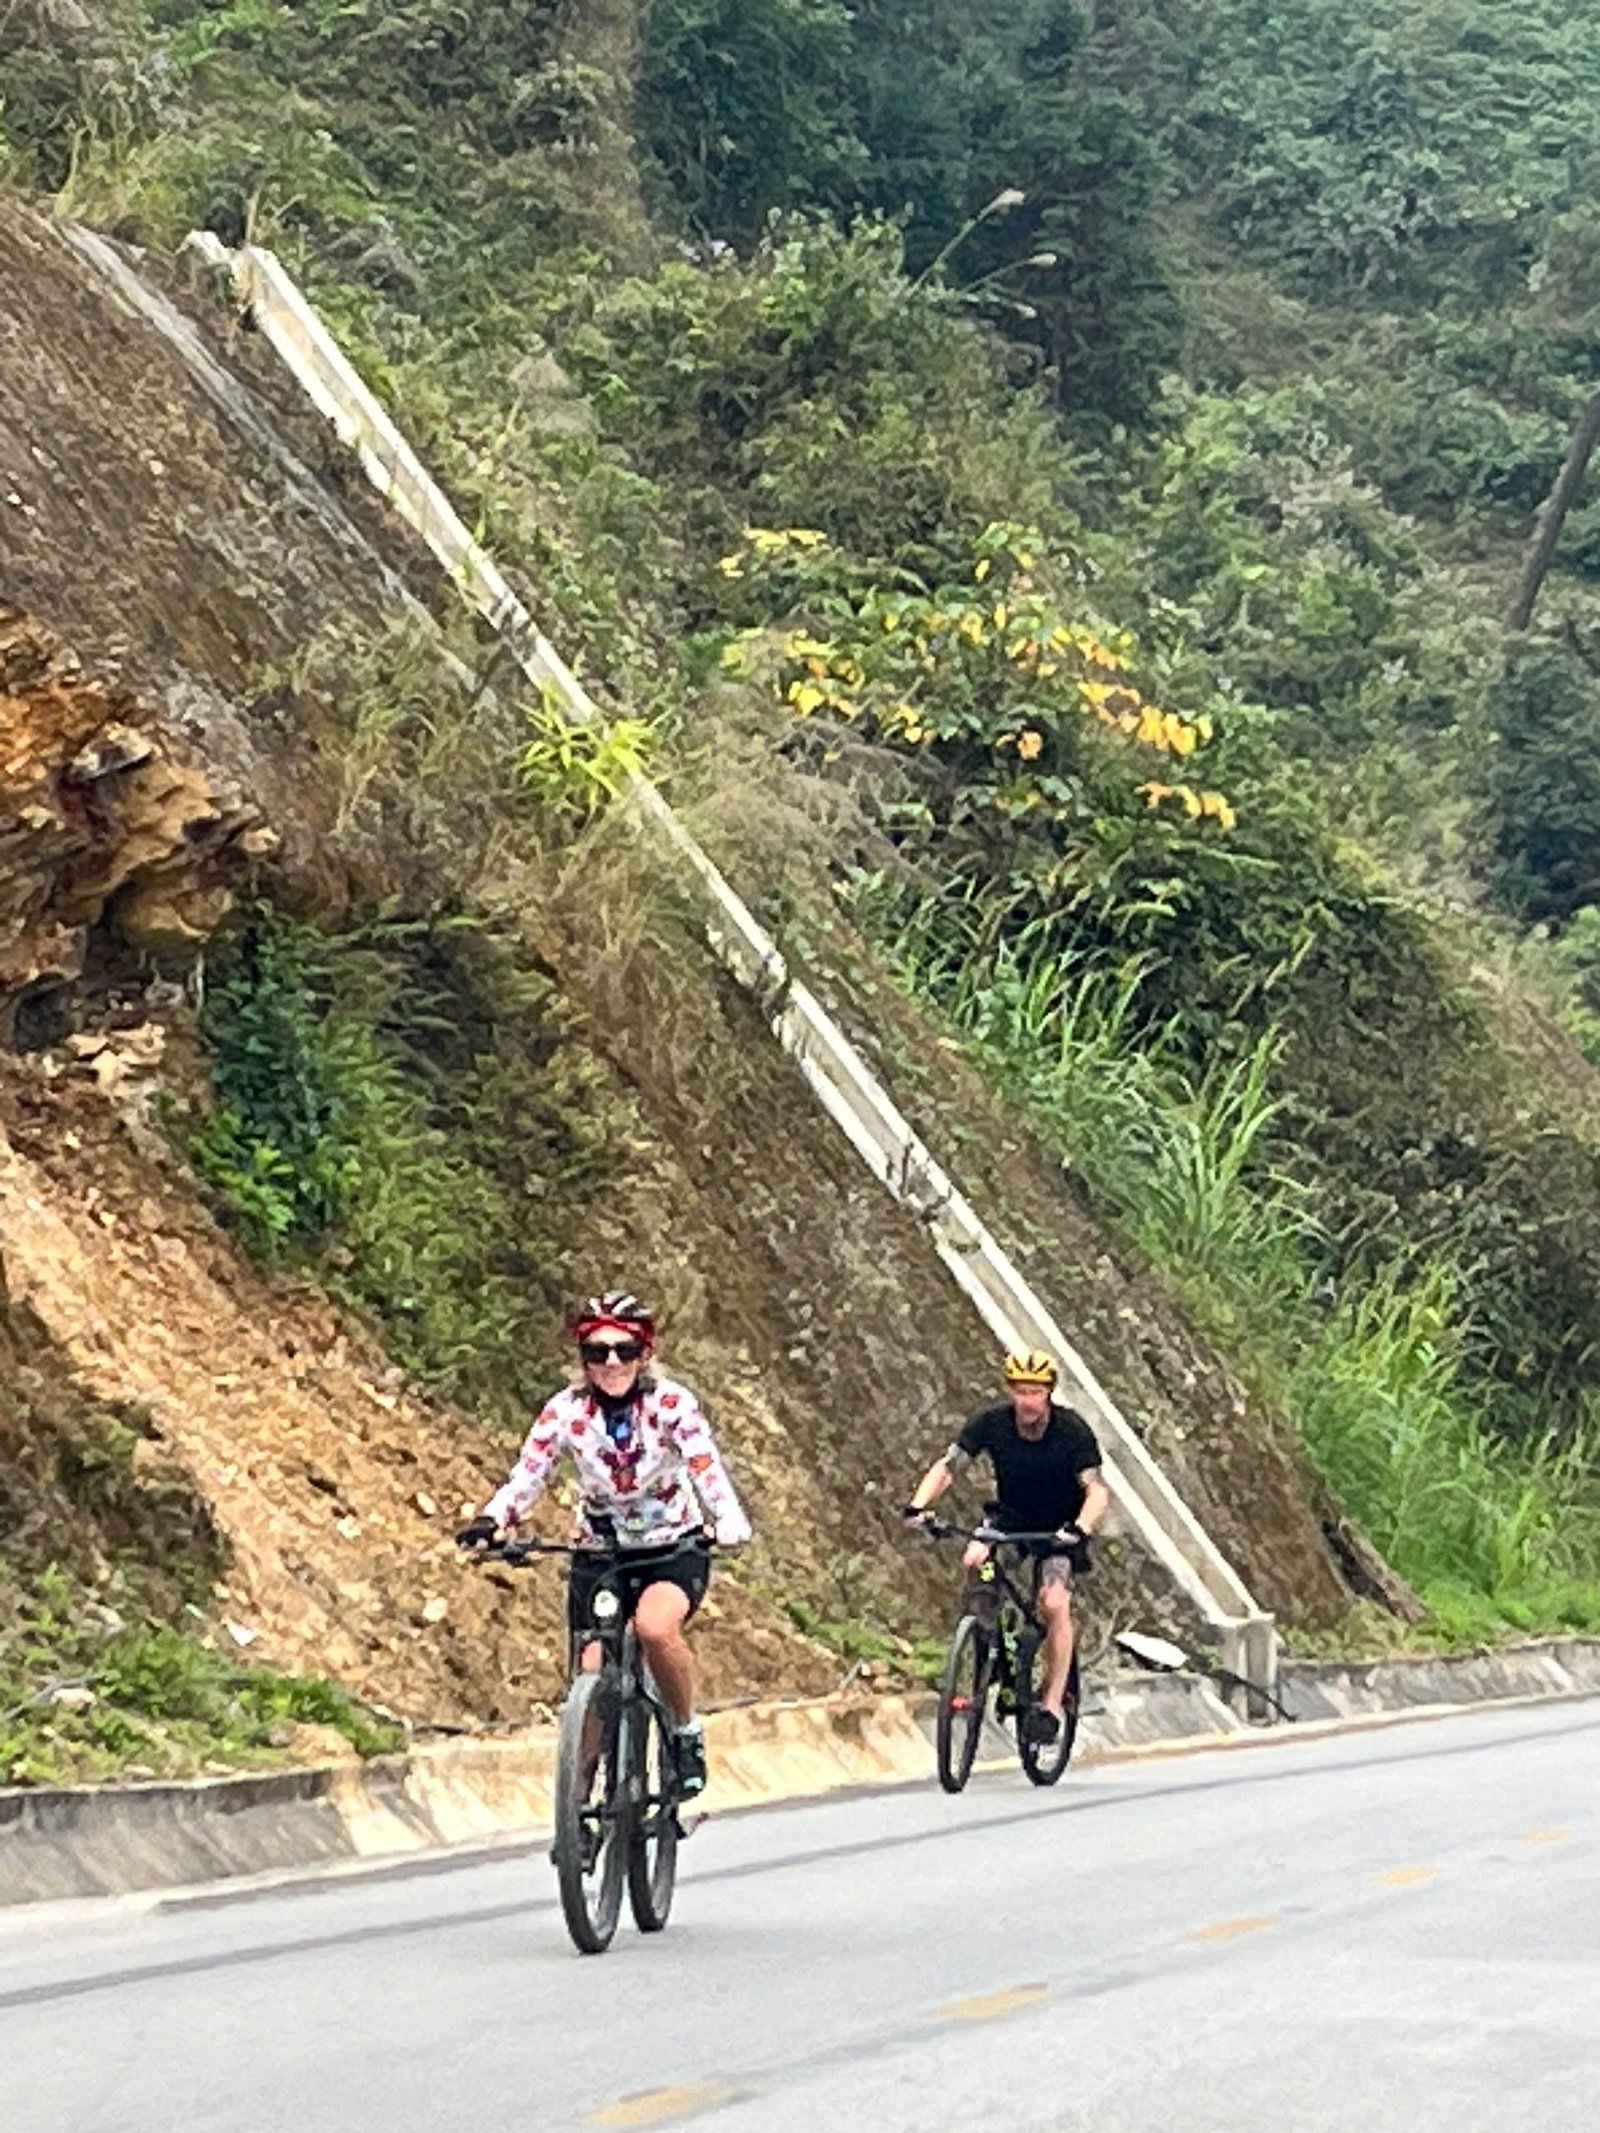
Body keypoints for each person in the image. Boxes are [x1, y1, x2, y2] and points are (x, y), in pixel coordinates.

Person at [456, 1290, 752, 1796]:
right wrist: (492, 1517)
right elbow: (529, 1474)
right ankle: (580, 1799)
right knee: (592, 1670)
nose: (611, 1362)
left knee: (655, 1630)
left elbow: (704, 1466)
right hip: (601, 1550)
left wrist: (726, 1521)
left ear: (645, 1355)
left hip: (670, 1547)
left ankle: (684, 1731)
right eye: (597, 1352)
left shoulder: (671, 1404)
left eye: (624, 1351)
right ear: (583, 1359)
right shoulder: (564, 1412)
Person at [904, 1349, 1109, 1744]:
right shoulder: (991, 1423)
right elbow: (948, 1466)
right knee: (975, 1557)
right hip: (1010, 1520)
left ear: (1048, 1393)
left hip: (1059, 1530)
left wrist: (1080, 1527)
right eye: (1019, 1391)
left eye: (1035, 1392)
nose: (1027, 1401)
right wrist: (918, 1506)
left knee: (1053, 1603)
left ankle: (1050, 1706)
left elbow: (1097, 1490)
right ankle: (984, 1633)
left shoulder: (1071, 1430)